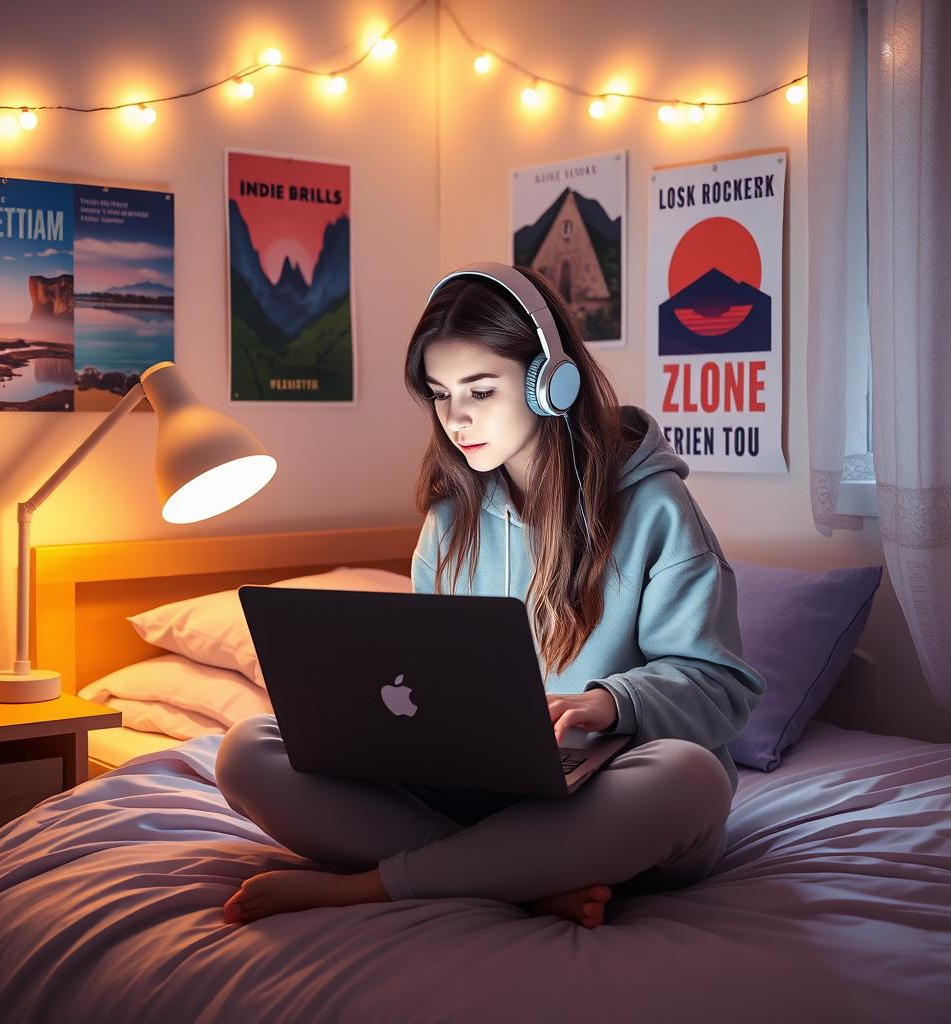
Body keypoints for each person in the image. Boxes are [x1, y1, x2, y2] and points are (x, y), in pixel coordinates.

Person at [215, 263, 765, 929]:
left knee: (689, 779)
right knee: (247, 751)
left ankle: (370, 887)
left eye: (480, 390)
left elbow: (720, 685)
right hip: (476, 793)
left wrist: (609, 703)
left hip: (605, 793)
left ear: (549, 385)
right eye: (441, 394)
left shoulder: (654, 506)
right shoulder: (451, 518)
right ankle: (522, 882)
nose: (457, 418)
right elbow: (416, 680)